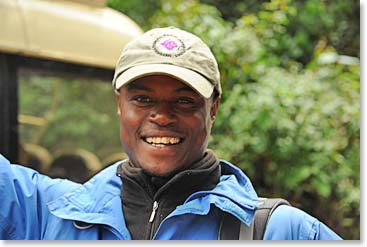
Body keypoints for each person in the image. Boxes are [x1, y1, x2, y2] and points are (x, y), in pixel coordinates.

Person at [0, 26, 342, 240]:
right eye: (143, 98)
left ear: (212, 109)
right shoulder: (47, 213)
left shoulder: (278, 231)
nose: (161, 116)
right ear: (119, 104)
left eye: (184, 101)